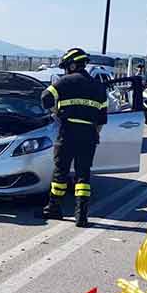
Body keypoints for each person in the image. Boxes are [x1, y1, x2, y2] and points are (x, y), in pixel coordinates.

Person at [40, 47, 108, 227]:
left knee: (60, 172)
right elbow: (102, 119)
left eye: (65, 66)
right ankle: (82, 216)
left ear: (72, 64)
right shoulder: (99, 87)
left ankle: (54, 208)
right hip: (89, 135)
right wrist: (95, 135)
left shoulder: (64, 82)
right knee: (83, 175)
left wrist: (56, 112)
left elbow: (45, 97)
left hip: (68, 132)